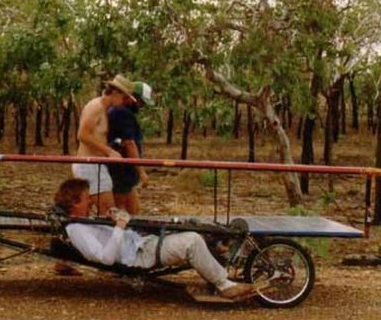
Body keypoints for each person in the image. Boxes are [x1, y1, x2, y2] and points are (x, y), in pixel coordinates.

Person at [53, 178, 258, 300]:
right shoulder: (77, 230)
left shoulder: (83, 221)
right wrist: (119, 227)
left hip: (141, 243)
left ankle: (218, 256)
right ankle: (224, 285)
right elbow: (105, 259)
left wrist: (114, 220)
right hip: (140, 255)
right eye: (87, 197)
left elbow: (109, 234)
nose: (91, 200)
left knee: (191, 225)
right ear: (74, 204)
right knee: (192, 240)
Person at [72, 74, 136, 216]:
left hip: (96, 166)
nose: (125, 102)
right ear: (114, 93)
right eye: (124, 97)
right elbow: (82, 135)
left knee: (93, 213)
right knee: (108, 211)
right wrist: (109, 152)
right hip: (90, 166)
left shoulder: (106, 110)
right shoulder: (96, 107)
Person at [107, 81, 154, 214]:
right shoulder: (123, 113)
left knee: (133, 211)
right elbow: (129, 143)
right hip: (121, 172)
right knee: (123, 211)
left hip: (124, 173)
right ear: (133, 98)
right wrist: (141, 172)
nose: (142, 107)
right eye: (141, 103)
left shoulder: (117, 111)